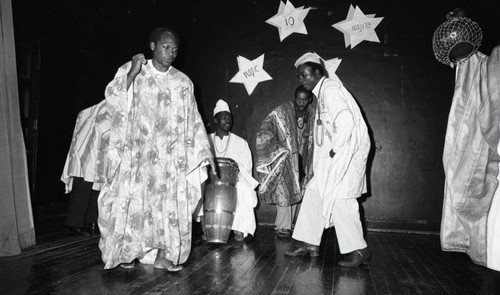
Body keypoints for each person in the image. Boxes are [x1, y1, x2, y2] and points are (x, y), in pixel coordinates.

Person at [97, 27, 215, 271]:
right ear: (152, 46)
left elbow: (193, 120)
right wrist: (131, 73)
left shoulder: (183, 82)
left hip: (169, 159)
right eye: (165, 47)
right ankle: (126, 254)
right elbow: (112, 100)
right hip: (136, 154)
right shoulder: (133, 71)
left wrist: (202, 152)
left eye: (174, 49)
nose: (170, 53)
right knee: (132, 202)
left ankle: (163, 256)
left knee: (168, 206)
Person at [285, 52, 371, 268]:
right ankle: (308, 241)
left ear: (317, 72)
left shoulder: (331, 90)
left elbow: (346, 121)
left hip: (347, 154)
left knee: (343, 199)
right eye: (299, 76)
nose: (302, 79)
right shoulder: (322, 93)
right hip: (336, 155)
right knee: (314, 190)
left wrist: (334, 152)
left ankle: (359, 250)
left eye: (305, 75)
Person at [256, 86, 316, 238]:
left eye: (304, 99)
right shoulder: (282, 111)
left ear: (310, 99)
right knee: (284, 192)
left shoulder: (314, 115)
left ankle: (285, 225)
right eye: (298, 99)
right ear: (294, 97)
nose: (301, 102)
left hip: (304, 160)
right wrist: (280, 149)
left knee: (297, 192)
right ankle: (283, 226)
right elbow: (264, 130)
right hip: (286, 160)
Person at [206, 99, 258, 241]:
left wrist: (235, 167)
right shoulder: (206, 140)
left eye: (229, 118)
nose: (228, 121)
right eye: (224, 118)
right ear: (216, 120)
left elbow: (246, 166)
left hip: (233, 180)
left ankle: (239, 228)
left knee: (243, 188)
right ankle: (208, 227)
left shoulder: (241, 143)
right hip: (210, 180)